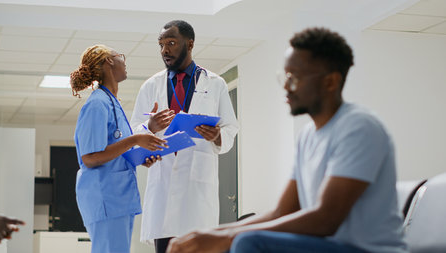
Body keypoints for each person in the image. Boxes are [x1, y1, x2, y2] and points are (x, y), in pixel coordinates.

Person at [166, 27, 408, 253]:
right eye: (285, 76)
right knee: (238, 237)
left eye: (295, 78)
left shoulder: (358, 127)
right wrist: (210, 232)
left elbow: (326, 218)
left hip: (366, 249)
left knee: (248, 241)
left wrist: (227, 237)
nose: (287, 87)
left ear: (330, 82)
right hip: (326, 244)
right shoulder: (308, 136)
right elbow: (283, 211)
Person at [130, 20, 239, 253]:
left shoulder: (216, 84)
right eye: (161, 45)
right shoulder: (151, 86)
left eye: (171, 43)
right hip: (163, 187)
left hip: (197, 192)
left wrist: (218, 136)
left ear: (189, 44)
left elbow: (231, 127)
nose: (165, 50)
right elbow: (133, 131)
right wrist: (149, 125)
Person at [70, 44, 167, 253]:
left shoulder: (112, 103)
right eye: (120, 56)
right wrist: (135, 140)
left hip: (118, 198)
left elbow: (115, 151)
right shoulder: (97, 104)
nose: (125, 62)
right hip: (106, 198)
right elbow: (89, 157)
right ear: (109, 61)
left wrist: (140, 155)